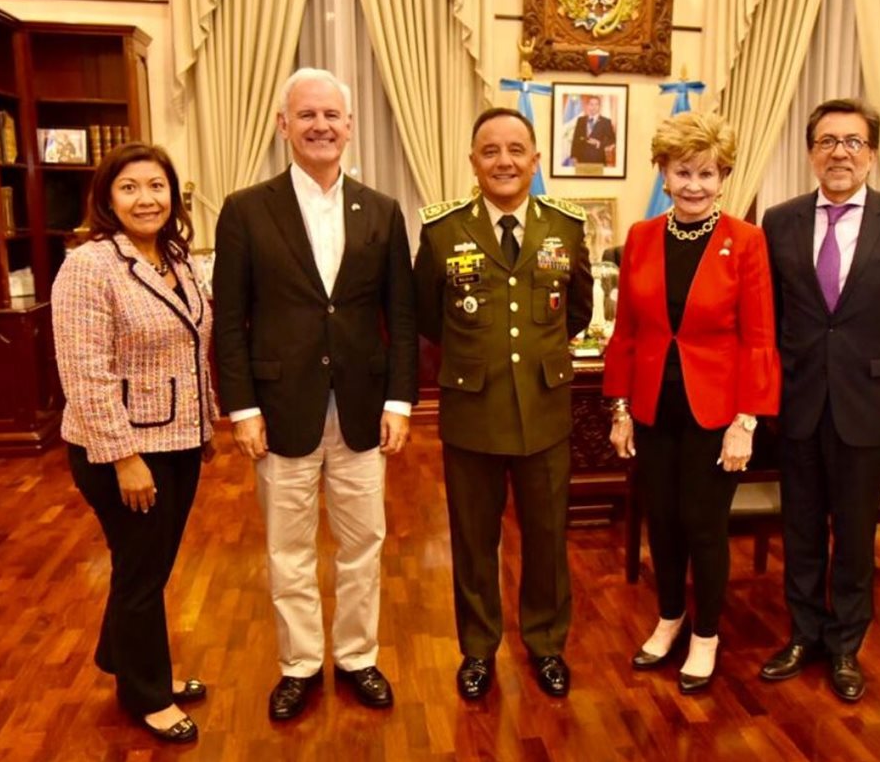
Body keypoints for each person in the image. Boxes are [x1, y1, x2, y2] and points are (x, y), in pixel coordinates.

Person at [213, 68, 417, 720]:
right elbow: (228, 319)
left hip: (362, 408)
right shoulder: (246, 209)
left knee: (364, 543)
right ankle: (298, 664)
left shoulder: (381, 209)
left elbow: (402, 317)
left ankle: (358, 656)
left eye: (332, 115)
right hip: (279, 411)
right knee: (288, 548)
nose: (321, 125)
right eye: (308, 115)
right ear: (284, 126)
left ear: (350, 127)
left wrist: (399, 401)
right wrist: (242, 407)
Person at [759, 99, 880, 702]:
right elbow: (771, 321)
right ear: (810, 152)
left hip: (872, 406)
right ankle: (803, 635)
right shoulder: (778, 222)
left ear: (873, 154)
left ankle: (844, 648)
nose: (840, 152)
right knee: (801, 528)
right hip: (800, 404)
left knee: (856, 537)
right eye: (828, 141)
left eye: (853, 142)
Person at [413, 107, 592, 700]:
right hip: (472, 412)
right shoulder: (442, 231)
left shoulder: (565, 227)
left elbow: (580, 310)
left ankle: (545, 645)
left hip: (544, 411)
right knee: (472, 540)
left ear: (536, 160)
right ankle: (478, 649)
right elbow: (425, 316)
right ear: (473, 161)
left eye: (517, 150)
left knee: (547, 539)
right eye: (490, 151)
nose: (505, 162)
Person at [603, 111, 780, 694]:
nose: (695, 185)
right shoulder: (640, 238)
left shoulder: (745, 240)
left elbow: (759, 337)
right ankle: (669, 616)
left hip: (717, 413)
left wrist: (746, 423)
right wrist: (621, 409)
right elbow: (626, 329)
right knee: (665, 521)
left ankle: (706, 633)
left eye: (707, 173)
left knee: (704, 525)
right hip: (655, 407)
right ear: (663, 173)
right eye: (683, 172)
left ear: (723, 175)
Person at [52, 142, 218, 744]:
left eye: (156, 186)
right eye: (129, 187)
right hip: (123, 451)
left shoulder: (175, 255)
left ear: (173, 194)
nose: (145, 198)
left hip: (179, 439)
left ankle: (122, 657)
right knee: (142, 572)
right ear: (106, 197)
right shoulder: (90, 265)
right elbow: (84, 373)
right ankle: (148, 694)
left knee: (147, 566)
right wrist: (123, 457)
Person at [570, 95, 616, 166]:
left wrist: (599, 143)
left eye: (596, 104)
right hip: (581, 159)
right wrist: (573, 156)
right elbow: (575, 139)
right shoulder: (580, 120)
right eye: (591, 104)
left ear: (599, 106)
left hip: (598, 159)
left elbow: (612, 139)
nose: (593, 107)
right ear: (588, 106)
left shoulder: (606, 121)